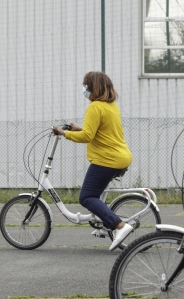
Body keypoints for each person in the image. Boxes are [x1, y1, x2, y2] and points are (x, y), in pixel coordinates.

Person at [53, 72, 134, 251]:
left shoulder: (95, 106)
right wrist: (79, 128)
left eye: (85, 85)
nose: (84, 89)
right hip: (121, 156)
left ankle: (120, 226)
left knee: (87, 197)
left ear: (92, 87)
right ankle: (105, 223)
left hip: (107, 159)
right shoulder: (111, 106)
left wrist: (64, 133)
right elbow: (100, 131)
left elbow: (87, 136)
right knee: (95, 195)